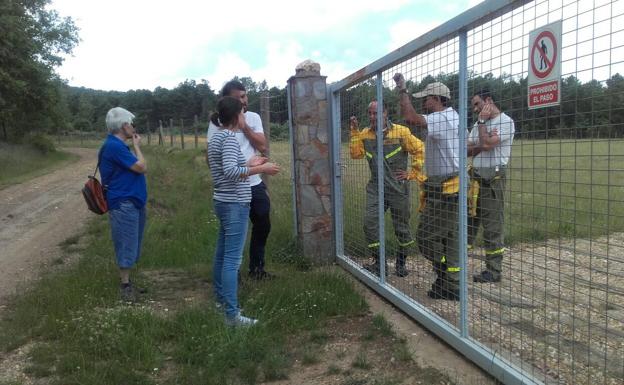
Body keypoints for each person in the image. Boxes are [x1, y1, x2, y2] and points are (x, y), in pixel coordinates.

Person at [208, 96, 280, 326]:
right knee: (232, 260)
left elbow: (224, 168)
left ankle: (221, 300)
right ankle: (232, 315)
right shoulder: (229, 139)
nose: (244, 117)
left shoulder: (217, 138)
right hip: (234, 203)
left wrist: (249, 163)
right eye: (242, 113)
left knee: (222, 254)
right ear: (237, 116)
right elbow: (230, 171)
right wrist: (261, 168)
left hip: (222, 201)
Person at [393, 74, 462, 300]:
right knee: (450, 238)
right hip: (446, 185)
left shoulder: (443, 118)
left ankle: (445, 277)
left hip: (447, 187)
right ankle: (450, 284)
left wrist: (402, 90)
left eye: (427, 99)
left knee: (425, 237)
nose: (424, 103)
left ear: (437, 99)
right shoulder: (451, 118)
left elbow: (410, 117)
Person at [349, 101, 425, 277]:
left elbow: (420, 149)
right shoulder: (365, 134)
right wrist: (354, 132)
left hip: (398, 188)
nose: (372, 117)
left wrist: (412, 173)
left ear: (385, 113)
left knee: (402, 228)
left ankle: (401, 262)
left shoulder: (401, 132)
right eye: (370, 113)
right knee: (370, 224)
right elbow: (355, 154)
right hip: (376, 188)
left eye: (376, 113)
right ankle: (379, 263)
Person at [207, 80, 274, 280]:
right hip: (233, 187)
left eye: (245, 96)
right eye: (239, 98)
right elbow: (212, 156)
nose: (244, 101)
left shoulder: (253, 117)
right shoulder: (217, 124)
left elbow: (263, 146)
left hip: (253, 183)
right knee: (235, 231)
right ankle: (232, 274)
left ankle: (257, 269)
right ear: (227, 101)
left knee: (262, 224)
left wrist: (244, 127)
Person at [467, 88, 515, 283]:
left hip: (493, 178)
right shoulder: (479, 123)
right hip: (476, 178)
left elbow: (487, 145)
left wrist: (481, 126)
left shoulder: (506, 122)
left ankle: (494, 271)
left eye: (478, 104)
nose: (476, 109)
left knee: (493, 225)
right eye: (473, 107)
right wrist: (482, 136)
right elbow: (466, 148)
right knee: (469, 223)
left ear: (489, 100)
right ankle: (458, 263)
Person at [100, 107, 147, 302]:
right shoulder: (114, 146)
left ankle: (128, 284)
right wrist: (138, 146)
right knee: (126, 243)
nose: (134, 128)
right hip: (123, 202)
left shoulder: (118, 145)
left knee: (132, 242)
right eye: (132, 124)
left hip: (132, 201)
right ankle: (125, 286)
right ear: (124, 125)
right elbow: (141, 167)